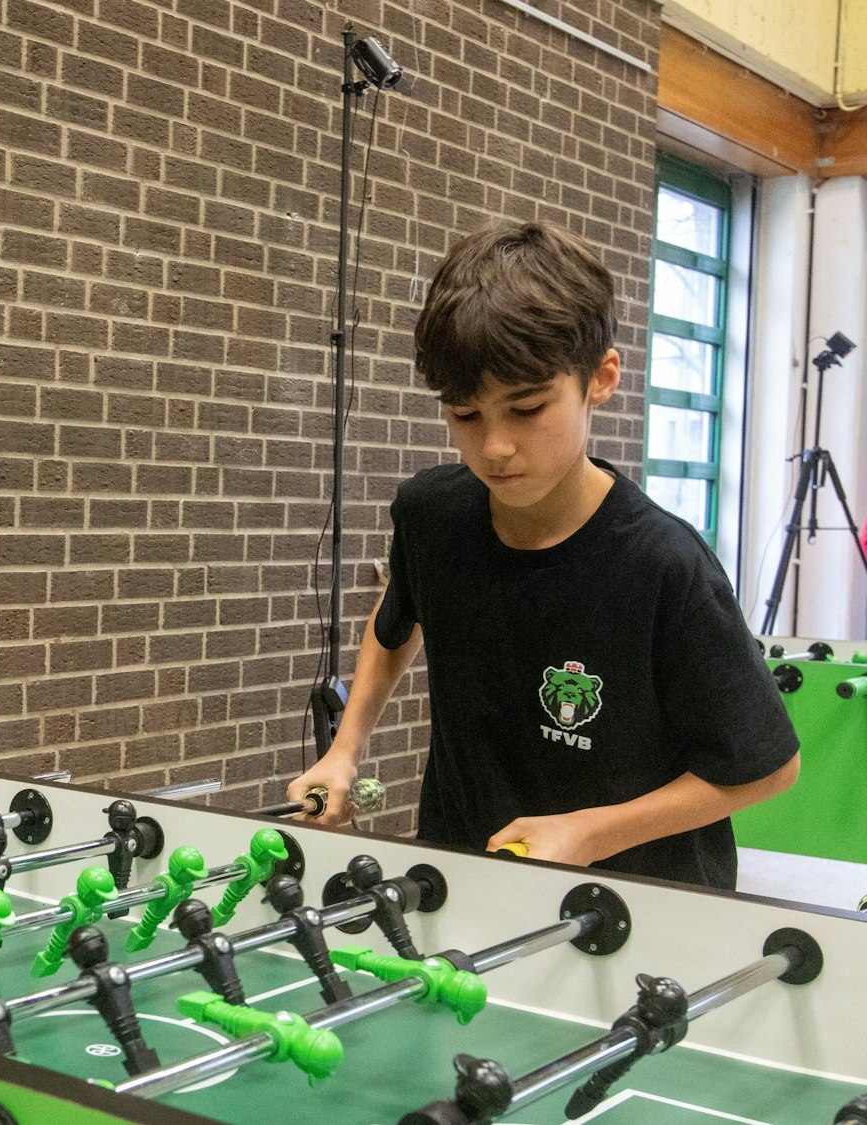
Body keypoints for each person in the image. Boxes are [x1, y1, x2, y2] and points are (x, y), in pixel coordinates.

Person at [287, 221, 798, 890]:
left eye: (527, 408)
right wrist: (345, 751)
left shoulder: (665, 565)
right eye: (466, 415)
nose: (495, 445)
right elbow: (397, 616)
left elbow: (766, 766)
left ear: (601, 379)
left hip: (636, 907)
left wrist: (590, 831)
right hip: (462, 875)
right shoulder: (431, 515)